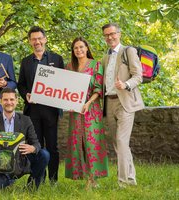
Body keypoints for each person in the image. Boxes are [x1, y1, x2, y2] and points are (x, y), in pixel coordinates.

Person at [17, 26, 64, 183]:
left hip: (51, 110)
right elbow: (21, 84)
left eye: (39, 38)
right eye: (33, 39)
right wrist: (26, 95)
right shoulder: (25, 62)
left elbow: (64, 83)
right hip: (33, 111)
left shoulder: (57, 59)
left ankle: (53, 179)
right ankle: (38, 177)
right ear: (30, 41)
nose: (37, 41)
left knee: (52, 146)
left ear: (45, 39)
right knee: (35, 145)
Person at [0, 88, 50, 189]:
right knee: (0, 186)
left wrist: (32, 148)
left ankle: (32, 186)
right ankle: (7, 179)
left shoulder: (26, 120)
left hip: (20, 162)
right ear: (0, 101)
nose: (9, 102)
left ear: (16, 101)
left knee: (44, 154)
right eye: (6, 100)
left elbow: (36, 144)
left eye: (12, 99)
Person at [101, 23, 144, 187]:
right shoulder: (105, 56)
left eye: (112, 34)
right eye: (106, 35)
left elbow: (138, 76)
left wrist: (125, 84)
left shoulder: (129, 51)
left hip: (125, 102)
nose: (110, 37)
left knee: (121, 140)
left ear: (119, 33)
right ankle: (131, 179)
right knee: (119, 144)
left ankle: (123, 183)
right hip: (109, 103)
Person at [64, 37, 109, 189]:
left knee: (92, 142)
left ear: (86, 48)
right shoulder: (69, 67)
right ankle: (83, 175)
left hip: (91, 109)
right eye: (75, 48)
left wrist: (88, 103)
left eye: (81, 47)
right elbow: (64, 90)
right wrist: (67, 103)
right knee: (79, 143)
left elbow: (98, 88)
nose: (79, 50)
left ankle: (93, 178)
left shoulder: (96, 64)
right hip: (75, 111)